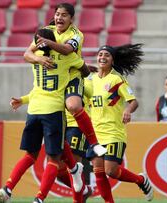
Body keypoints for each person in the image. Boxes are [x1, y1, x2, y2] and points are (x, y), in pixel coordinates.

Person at [0, 28, 87, 203]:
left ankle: (7, 189)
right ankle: (39, 198)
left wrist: (23, 99)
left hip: (33, 110)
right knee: (53, 158)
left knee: (30, 155)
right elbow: (85, 70)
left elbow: (26, 54)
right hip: (53, 111)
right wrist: (78, 71)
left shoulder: (34, 56)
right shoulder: (67, 56)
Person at [24, 2, 107, 158]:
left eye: (64, 15)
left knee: (73, 106)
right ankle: (75, 172)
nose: (59, 18)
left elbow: (68, 50)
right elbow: (27, 54)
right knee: (54, 152)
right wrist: (38, 59)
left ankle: (94, 143)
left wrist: (48, 42)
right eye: (57, 14)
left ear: (71, 19)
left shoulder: (76, 34)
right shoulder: (46, 31)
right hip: (55, 80)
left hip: (72, 77)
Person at [85, 44, 154, 203]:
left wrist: (128, 110)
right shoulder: (90, 79)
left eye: (107, 55)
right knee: (98, 172)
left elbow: (134, 102)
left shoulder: (117, 80)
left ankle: (141, 180)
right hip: (95, 133)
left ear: (112, 60)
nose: (102, 57)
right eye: (100, 54)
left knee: (111, 171)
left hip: (113, 133)